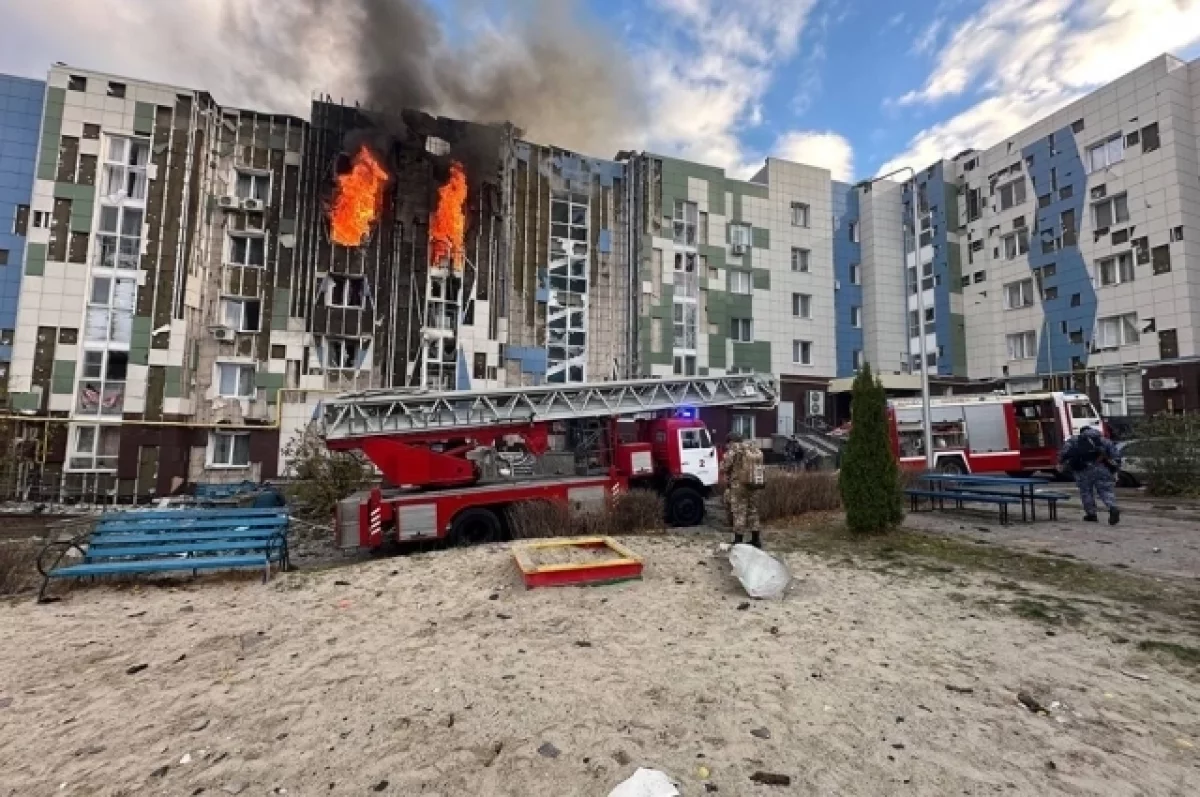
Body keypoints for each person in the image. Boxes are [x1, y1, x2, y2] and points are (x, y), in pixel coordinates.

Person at [1058, 426, 1122, 524]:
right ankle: (1112, 507)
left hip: (1082, 470)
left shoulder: (1074, 441)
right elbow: (1116, 456)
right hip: (1102, 468)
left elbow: (1063, 454)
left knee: (1086, 492)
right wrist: (1114, 468)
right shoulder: (1104, 441)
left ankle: (1091, 514)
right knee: (1105, 490)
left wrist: (1062, 464)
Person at [720, 431, 765, 547]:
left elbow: (725, 467)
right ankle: (756, 539)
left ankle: (738, 540)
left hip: (738, 486)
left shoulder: (733, 450)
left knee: (739, 511)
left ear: (730, 441)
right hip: (753, 483)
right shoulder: (752, 448)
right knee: (753, 511)